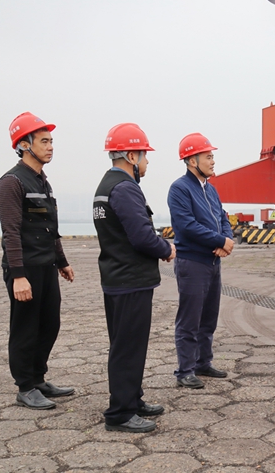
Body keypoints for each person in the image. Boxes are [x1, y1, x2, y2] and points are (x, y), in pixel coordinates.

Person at [93, 123, 176, 433]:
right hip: (130, 280)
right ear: (131, 156)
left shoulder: (105, 186)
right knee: (128, 347)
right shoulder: (125, 188)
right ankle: (120, 413)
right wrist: (166, 248)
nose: (147, 161)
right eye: (144, 155)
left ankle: (132, 398)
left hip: (116, 277)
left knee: (125, 343)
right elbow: (141, 236)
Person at [0, 112, 75, 410]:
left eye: (51, 141)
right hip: (25, 268)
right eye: (44, 141)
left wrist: (62, 261)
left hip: (46, 265)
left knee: (49, 324)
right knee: (25, 328)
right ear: (24, 145)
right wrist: (18, 275)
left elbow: (49, 226)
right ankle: (25, 387)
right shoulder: (11, 182)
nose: (50, 146)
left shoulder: (42, 182)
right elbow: (11, 232)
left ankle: (38, 378)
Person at [168, 133, 234, 389]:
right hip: (192, 262)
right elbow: (187, 226)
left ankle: (203, 363)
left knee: (208, 317)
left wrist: (227, 240)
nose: (213, 160)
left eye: (212, 156)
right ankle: (185, 371)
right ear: (192, 161)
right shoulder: (180, 189)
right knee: (190, 319)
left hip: (213, 262)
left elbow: (223, 217)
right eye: (208, 156)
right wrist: (220, 240)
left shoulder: (211, 189)